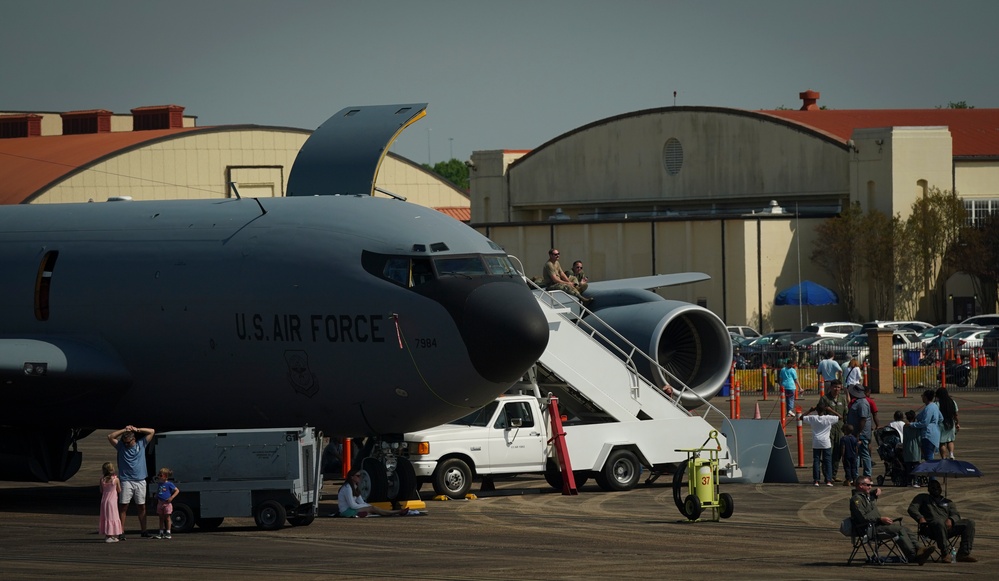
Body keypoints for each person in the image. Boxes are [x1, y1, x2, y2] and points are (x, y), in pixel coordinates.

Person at [850, 476, 935, 565]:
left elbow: (870, 496)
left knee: (905, 529)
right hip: (867, 529)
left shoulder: (865, 497)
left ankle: (920, 548)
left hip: (876, 525)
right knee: (899, 530)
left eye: (871, 485)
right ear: (860, 485)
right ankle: (913, 555)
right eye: (868, 485)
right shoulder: (856, 500)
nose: (870, 487)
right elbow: (863, 518)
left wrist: (874, 492)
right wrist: (880, 519)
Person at [907, 479, 977, 562]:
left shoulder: (948, 502)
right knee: (939, 522)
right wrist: (920, 518)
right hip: (930, 528)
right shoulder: (922, 498)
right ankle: (945, 553)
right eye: (933, 487)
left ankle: (963, 553)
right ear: (928, 489)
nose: (936, 489)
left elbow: (956, 514)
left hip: (947, 527)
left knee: (969, 523)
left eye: (938, 487)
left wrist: (951, 519)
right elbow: (912, 509)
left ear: (941, 488)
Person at [107, 425, 155, 539]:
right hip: (126, 480)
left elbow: (152, 431)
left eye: (128, 442)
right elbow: (110, 436)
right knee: (124, 506)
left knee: (141, 506)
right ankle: (121, 531)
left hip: (140, 480)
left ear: (134, 440)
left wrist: (137, 430)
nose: (127, 444)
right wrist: (124, 430)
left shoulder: (141, 444)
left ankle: (144, 530)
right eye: (125, 442)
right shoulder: (121, 447)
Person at [804, 379, 848, 481]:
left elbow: (845, 413)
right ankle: (827, 474)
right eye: (835, 387)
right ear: (831, 387)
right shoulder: (825, 399)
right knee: (829, 452)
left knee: (838, 452)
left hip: (840, 428)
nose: (837, 389)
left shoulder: (842, 398)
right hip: (828, 429)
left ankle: (833, 474)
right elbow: (821, 413)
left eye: (838, 387)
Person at [337, 468, 409, 517]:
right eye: (358, 476)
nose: (360, 478)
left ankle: (361, 513)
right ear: (351, 477)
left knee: (373, 509)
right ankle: (397, 512)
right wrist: (368, 507)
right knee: (373, 509)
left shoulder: (355, 487)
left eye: (360, 476)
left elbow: (361, 502)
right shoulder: (347, 488)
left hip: (352, 509)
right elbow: (352, 505)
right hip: (346, 511)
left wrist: (367, 506)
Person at [799, 409, 839, 486]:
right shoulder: (828, 418)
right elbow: (840, 417)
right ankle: (828, 480)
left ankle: (816, 480)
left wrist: (810, 410)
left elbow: (801, 417)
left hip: (816, 442)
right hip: (826, 442)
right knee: (827, 461)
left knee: (816, 461)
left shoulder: (813, 418)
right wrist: (831, 410)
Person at [845, 383, 873, 478]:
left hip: (861, 434)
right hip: (856, 433)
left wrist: (858, 433)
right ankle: (855, 475)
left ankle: (867, 474)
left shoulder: (862, 403)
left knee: (864, 454)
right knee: (856, 455)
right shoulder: (857, 402)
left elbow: (863, 419)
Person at [910, 388, 943, 462]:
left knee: (928, 457)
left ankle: (931, 473)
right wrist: (934, 424)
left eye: (922, 396)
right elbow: (941, 418)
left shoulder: (929, 408)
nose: (922, 397)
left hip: (928, 435)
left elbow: (925, 422)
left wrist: (911, 424)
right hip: (935, 433)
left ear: (925, 397)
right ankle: (930, 472)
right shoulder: (934, 406)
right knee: (929, 454)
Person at [98, 462, 123, 543]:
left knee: (106, 517)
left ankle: (109, 535)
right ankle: (109, 535)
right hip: (112, 501)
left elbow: (101, 490)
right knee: (112, 516)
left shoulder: (102, 480)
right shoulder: (116, 479)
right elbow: (119, 490)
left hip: (104, 500)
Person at [154, 467, 180, 539]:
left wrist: (171, 497)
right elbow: (159, 491)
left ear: (165, 476)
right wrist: (156, 495)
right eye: (159, 475)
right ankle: (161, 532)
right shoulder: (159, 484)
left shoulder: (169, 484)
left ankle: (168, 532)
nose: (159, 476)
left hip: (167, 503)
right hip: (160, 503)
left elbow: (177, 490)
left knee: (167, 518)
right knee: (161, 518)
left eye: (160, 475)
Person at [936, 387, 959, 459]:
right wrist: (957, 423)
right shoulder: (952, 402)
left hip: (941, 424)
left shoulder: (937, 403)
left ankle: (943, 457)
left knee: (942, 442)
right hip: (951, 422)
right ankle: (951, 454)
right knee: (950, 440)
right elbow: (955, 414)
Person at [901, 410, 922, 487]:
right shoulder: (916, 427)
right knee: (916, 465)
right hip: (915, 446)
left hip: (907, 446)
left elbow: (905, 439)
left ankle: (909, 481)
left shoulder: (905, 427)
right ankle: (916, 481)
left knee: (908, 466)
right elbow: (919, 438)